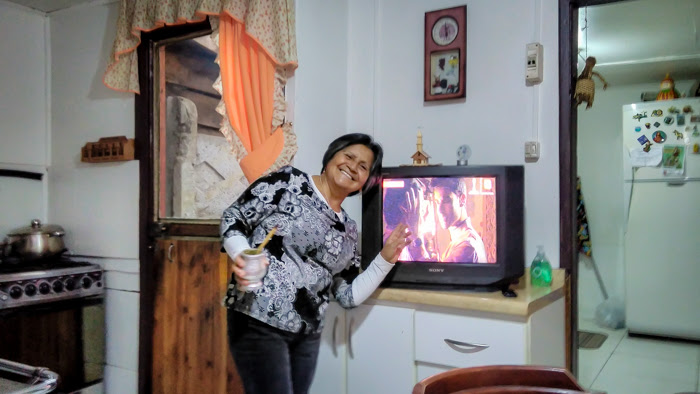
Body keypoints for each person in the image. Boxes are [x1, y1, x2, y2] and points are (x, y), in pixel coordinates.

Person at [220, 133, 411, 394]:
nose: (353, 167)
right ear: (332, 155)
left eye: (363, 166)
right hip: (259, 315)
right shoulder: (289, 181)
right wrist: (242, 254)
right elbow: (235, 216)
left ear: (366, 181)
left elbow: (348, 295)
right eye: (349, 156)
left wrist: (385, 259)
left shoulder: (349, 230)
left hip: (307, 334)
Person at [430, 177, 487, 263]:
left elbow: (437, 276)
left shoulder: (466, 247)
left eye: (446, 201)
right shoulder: (460, 238)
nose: (439, 210)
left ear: (462, 199)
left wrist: (417, 240)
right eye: (437, 202)